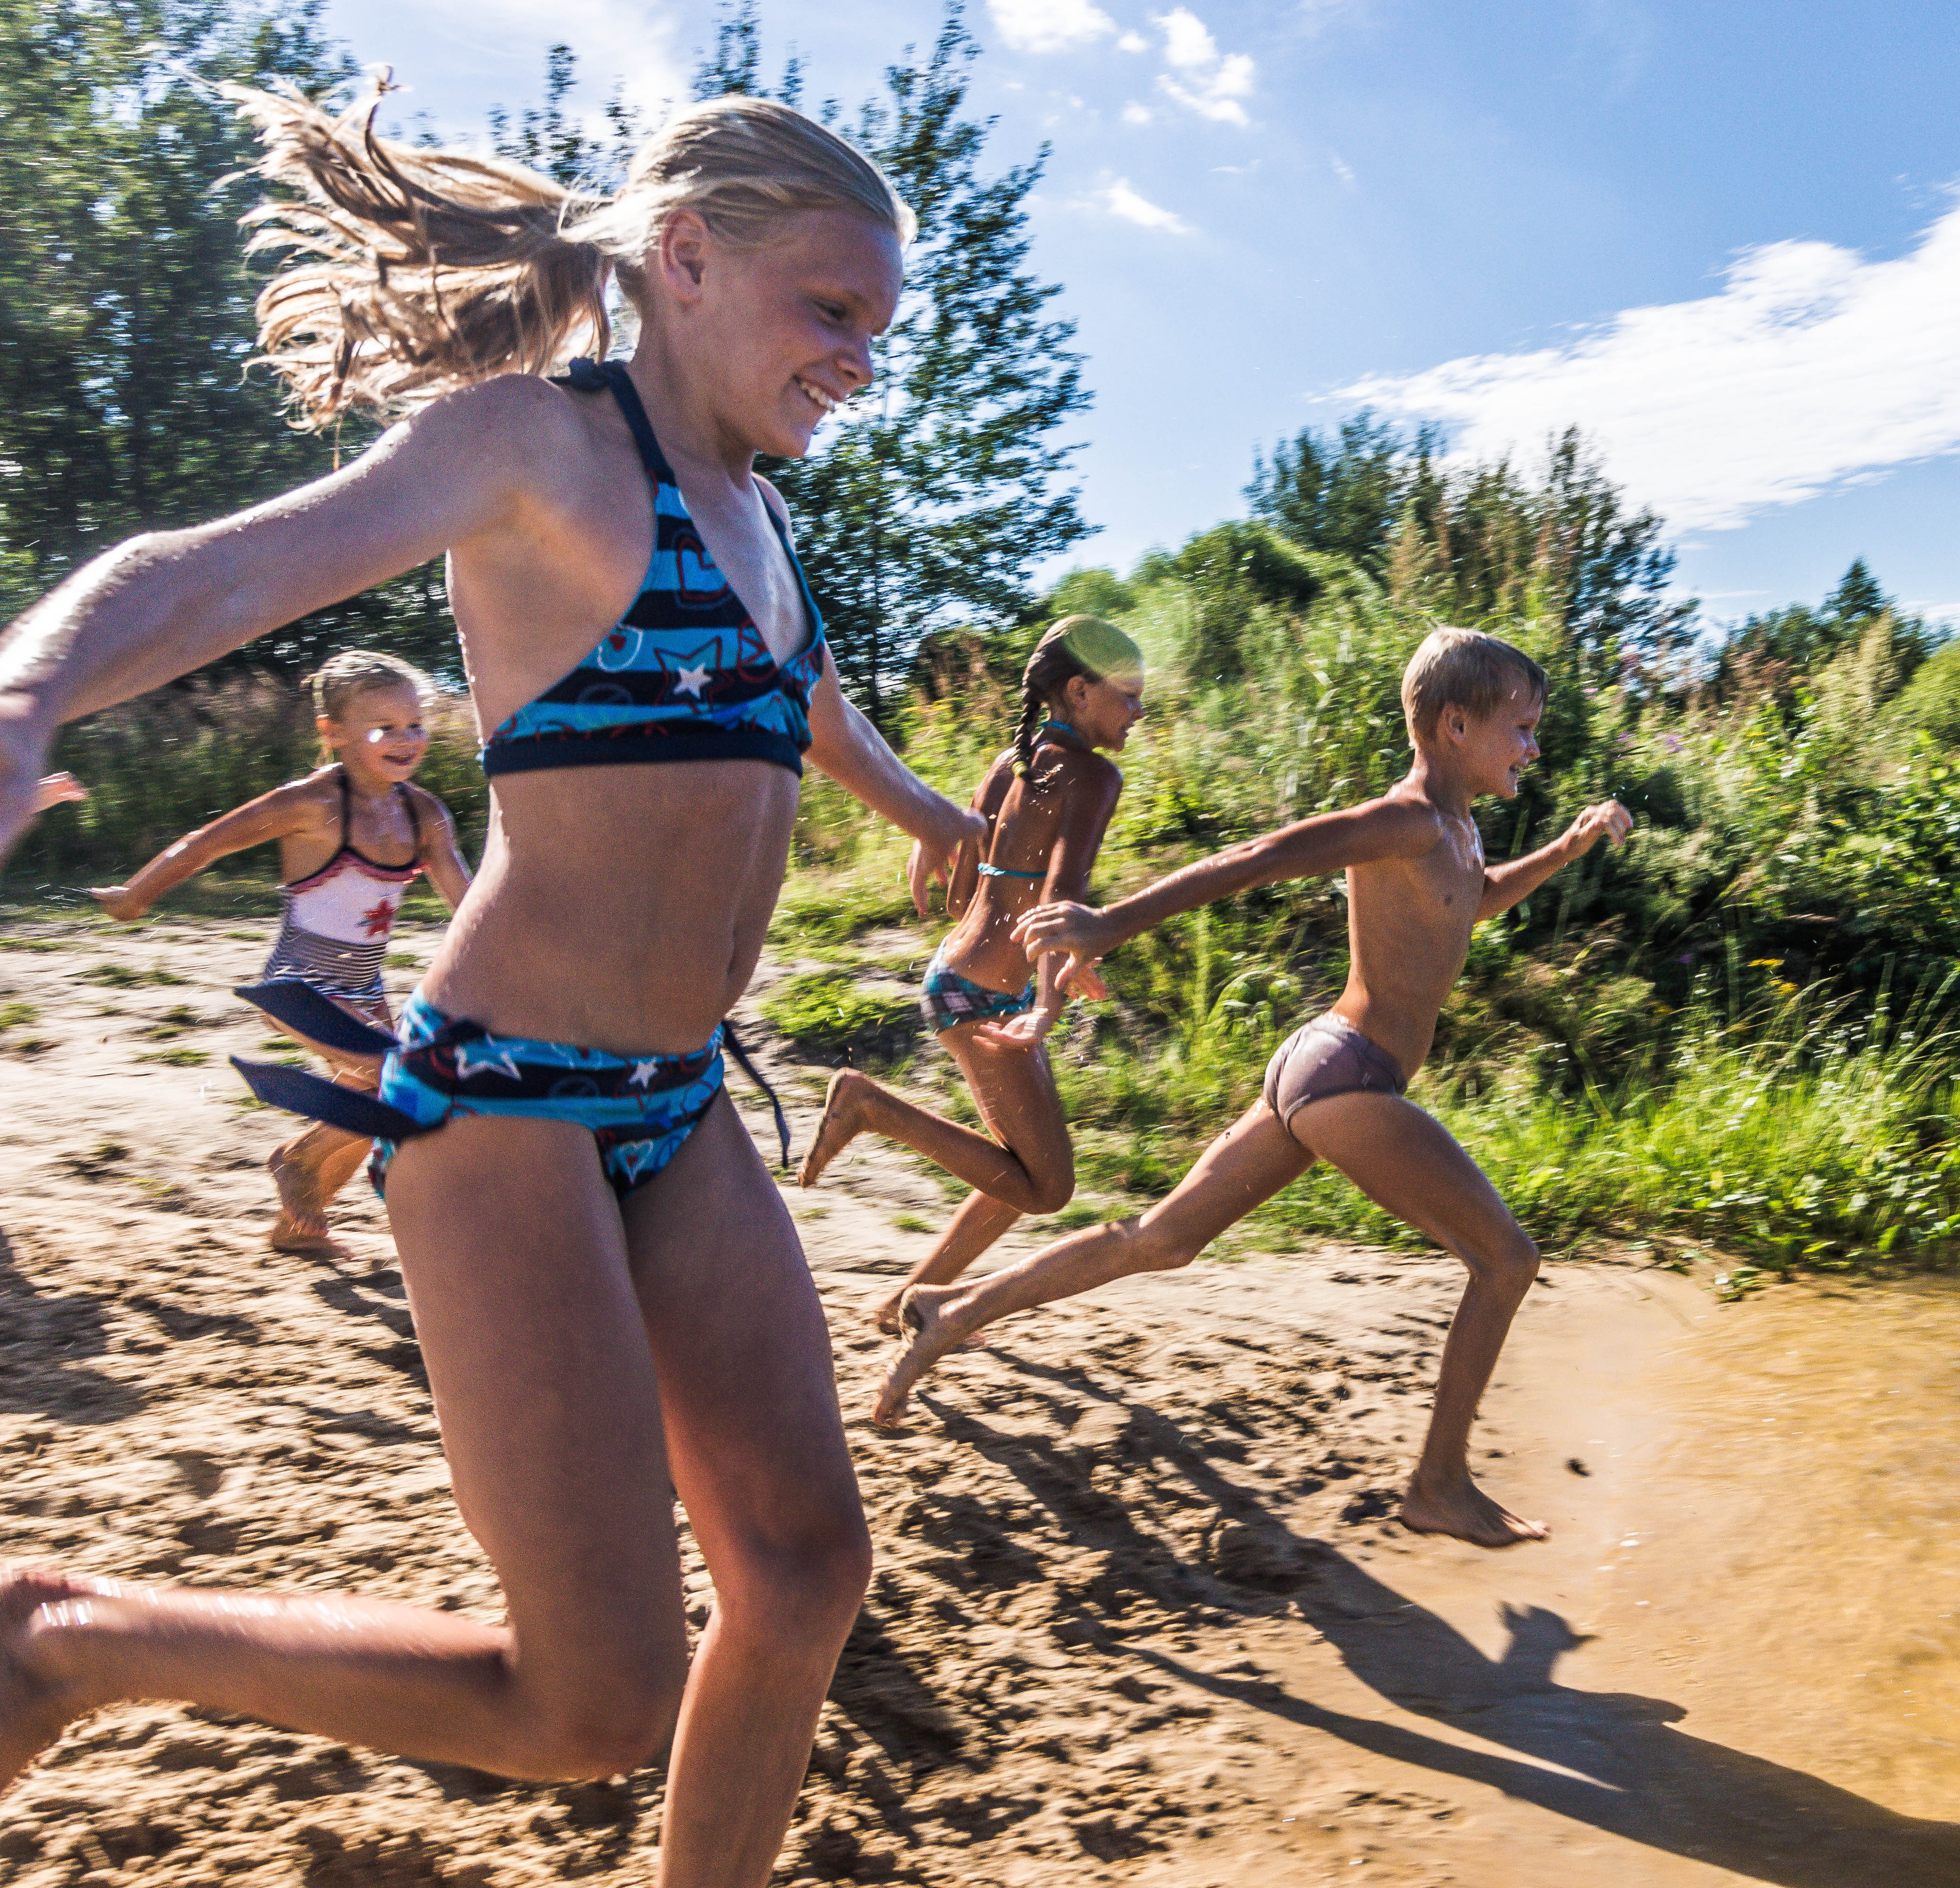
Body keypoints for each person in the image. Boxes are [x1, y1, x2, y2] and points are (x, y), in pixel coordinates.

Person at [0, 79, 990, 1887]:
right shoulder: (534, 446)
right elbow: (218, 569)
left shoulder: (756, 514)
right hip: (507, 1109)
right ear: (685, 259)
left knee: (802, 1575)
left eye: (878, 327)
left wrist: (927, 809)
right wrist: (29, 689)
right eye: (831, 311)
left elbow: (800, 703)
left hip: (681, 1107)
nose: (861, 358)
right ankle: (57, 1643)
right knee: (586, 1703)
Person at [871, 626, 1632, 1549]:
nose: (1532, 747)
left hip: (1322, 1068)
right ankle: (1437, 1483)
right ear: (1454, 723)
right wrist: (1110, 921)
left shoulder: (1455, 828)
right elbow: (1264, 854)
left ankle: (953, 1308)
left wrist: (1568, 844)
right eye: (1521, 727)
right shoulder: (1404, 819)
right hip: (1346, 1076)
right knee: (1505, 1258)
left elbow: (1472, 898)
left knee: (1160, 1238)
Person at [796, 614, 1144, 1335]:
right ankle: (868, 1105)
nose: (1140, 712)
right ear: (1079, 692)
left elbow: (965, 891)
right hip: (986, 995)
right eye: (1129, 696)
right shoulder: (1092, 776)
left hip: (962, 978)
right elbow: (1061, 898)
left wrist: (1045, 964)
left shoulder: (1009, 762)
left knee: (1019, 1173)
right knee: (1049, 1186)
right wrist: (1049, 998)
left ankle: (906, 1303)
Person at [86, 649, 474, 1261]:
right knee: (396, 1081)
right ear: (334, 733)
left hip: (366, 994)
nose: (407, 740)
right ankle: (296, 1161)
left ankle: (296, 1229)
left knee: (370, 1112)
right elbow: (203, 845)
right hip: (300, 989)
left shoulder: (423, 814)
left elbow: (466, 904)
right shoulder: (310, 804)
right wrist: (135, 897)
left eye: (415, 725)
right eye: (385, 728)